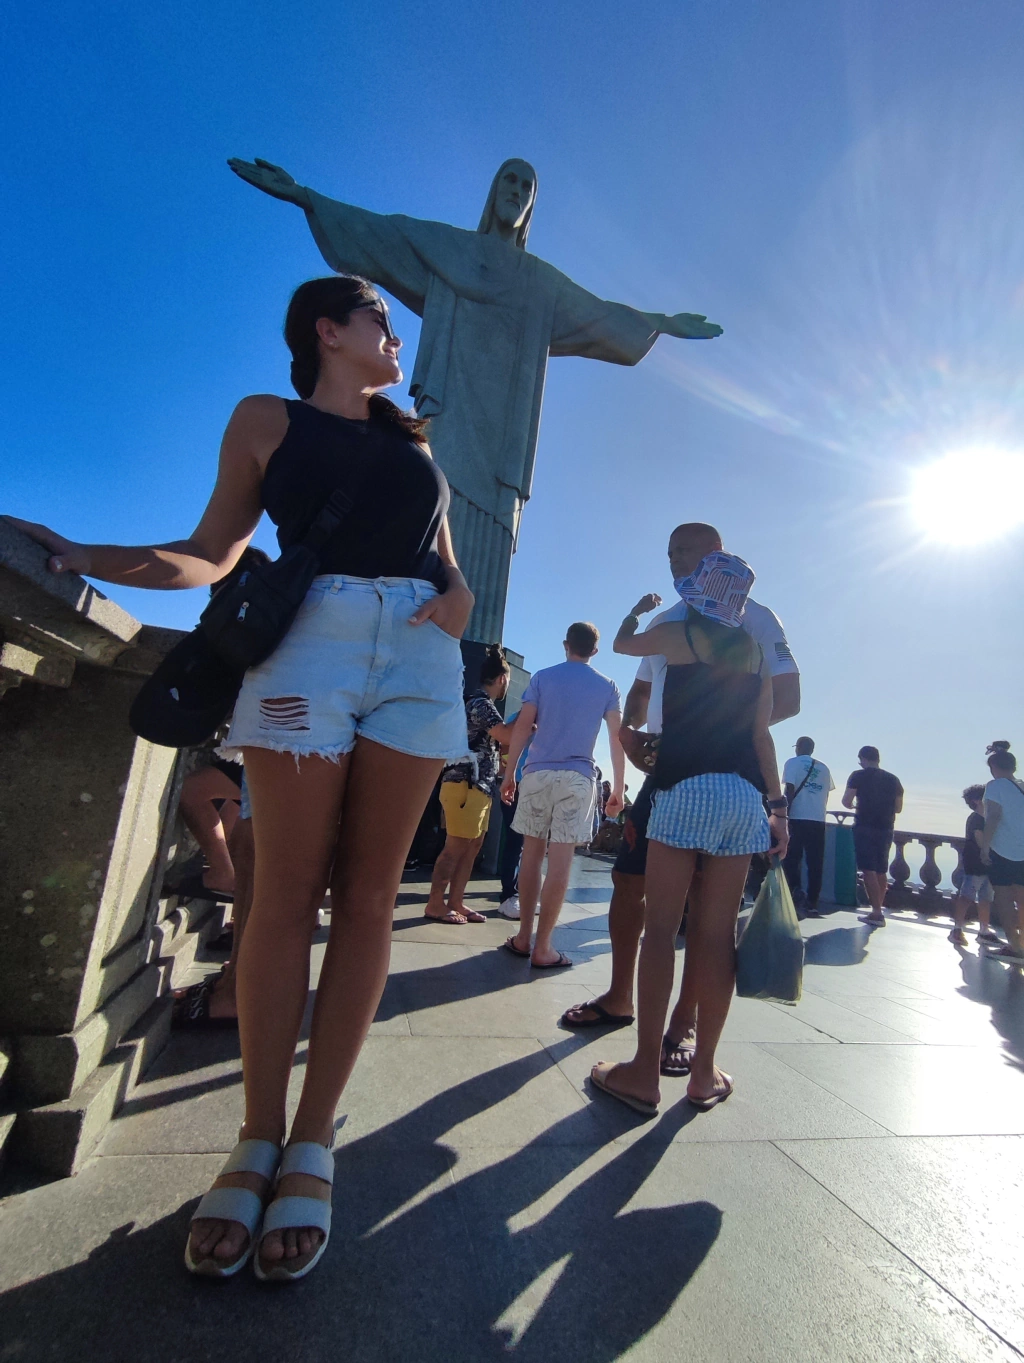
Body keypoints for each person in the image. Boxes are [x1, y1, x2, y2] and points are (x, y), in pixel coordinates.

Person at [9, 273, 474, 1283]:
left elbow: (444, 560)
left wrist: (461, 595)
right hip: (308, 645)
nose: (394, 337)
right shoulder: (268, 417)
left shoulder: (412, 439)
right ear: (328, 330)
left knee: (365, 901)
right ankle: (255, 1135)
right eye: (379, 323)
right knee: (282, 894)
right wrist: (88, 553)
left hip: (417, 663)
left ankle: (312, 1142)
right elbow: (212, 551)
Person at [561, 521, 799, 1038]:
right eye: (668, 551)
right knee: (628, 879)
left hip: (714, 770)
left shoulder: (756, 620)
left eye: (684, 550)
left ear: (716, 553)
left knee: (695, 910)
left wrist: (712, 739)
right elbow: (642, 693)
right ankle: (620, 996)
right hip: (667, 774)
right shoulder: (669, 620)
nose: (672, 559)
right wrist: (628, 734)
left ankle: (682, 1024)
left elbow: (789, 699)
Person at [589, 552, 788, 1114]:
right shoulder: (753, 652)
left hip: (682, 790)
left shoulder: (680, 635)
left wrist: (635, 612)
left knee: (660, 931)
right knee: (715, 935)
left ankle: (643, 1073)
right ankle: (703, 1075)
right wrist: (778, 809)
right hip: (742, 798)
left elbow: (622, 646)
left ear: (698, 594)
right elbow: (762, 738)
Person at [500, 622, 624, 968]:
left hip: (538, 772)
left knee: (531, 854)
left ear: (565, 644)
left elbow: (523, 726)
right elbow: (617, 738)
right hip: (578, 776)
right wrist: (616, 787)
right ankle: (545, 947)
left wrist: (510, 774)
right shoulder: (607, 686)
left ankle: (523, 937)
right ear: (594, 651)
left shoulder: (542, 678)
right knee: (561, 862)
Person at [425, 645, 515, 923]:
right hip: (465, 784)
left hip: (480, 786)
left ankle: (456, 901)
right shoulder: (480, 703)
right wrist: (530, 716)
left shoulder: (480, 704)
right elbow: (504, 735)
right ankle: (435, 903)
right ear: (502, 678)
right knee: (456, 846)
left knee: (472, 845)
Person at [841, 746, 904, 926]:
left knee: (868, 869)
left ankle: (876, 913)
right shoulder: (894, 779)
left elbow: (846, 801)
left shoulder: (857, 776)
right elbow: (898, 808)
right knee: (881, 870)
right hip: (886, 827)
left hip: (864, 826)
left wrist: (854, 806)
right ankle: (878, 909)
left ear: (862, 758)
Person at [979, 742, 1024, 962]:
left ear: (993, 767)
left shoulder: (995, 786)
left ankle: (1015, 947)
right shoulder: (1022, 786)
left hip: (1003, 850)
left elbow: (994, 816)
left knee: (1004, 899)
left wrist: (985, 846)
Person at [782, 737, 834, 916]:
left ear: (798, 748)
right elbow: (825, 793)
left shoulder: (792, 763)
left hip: (797, 817)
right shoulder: (824, 768)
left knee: (791, 858)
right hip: (818, 819)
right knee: (815, 862)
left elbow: (789, 789)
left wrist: (783, 814)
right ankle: (813, 901)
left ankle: (794, 892)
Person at [949, 784, 999, 947]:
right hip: (976, 865)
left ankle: (983, 930)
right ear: (978, 801)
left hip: (985, 865)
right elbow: (980, 841)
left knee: (985, 898)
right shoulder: (976, 819)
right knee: (967, 897)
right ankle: (957, 929)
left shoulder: (984, 819)